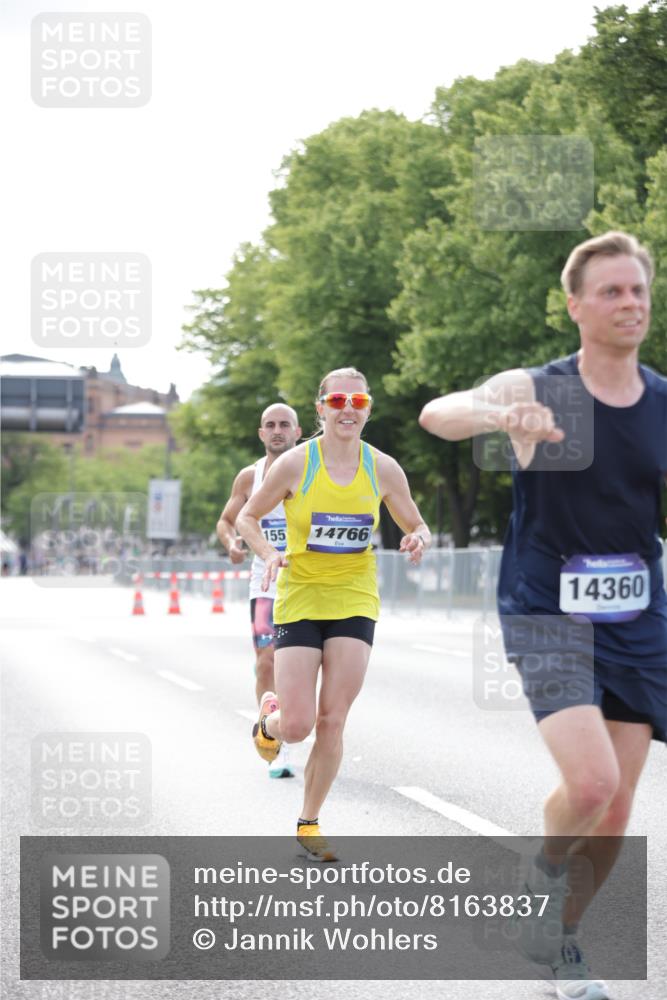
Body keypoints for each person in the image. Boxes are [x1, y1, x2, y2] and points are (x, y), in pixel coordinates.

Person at [419, 231, 667, 1000]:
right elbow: (438, 413)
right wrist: (500, 415)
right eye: (610, 291)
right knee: (590, 785)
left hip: (637, 613)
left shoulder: (661, 401)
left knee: (616, 805)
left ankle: (559, 937)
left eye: (637, 290)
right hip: (545, 606)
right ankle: (544, 873)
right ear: (574, 305)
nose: (628, 303)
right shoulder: (541, 387)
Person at [236, 367, 431, 860]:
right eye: (339, 400)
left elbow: (418, 522)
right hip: (300, 596)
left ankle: (309, 822)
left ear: (367, 409)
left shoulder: (383, 468)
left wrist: (416, 538)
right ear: (320, 408)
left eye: (359, 401)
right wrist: (266, 553)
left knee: (333, 719)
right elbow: (246, 516)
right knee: (298, 725)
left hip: (354, 597)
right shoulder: (296, 464)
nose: (349, 408)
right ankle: (270, 722)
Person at [217, 403, 302, 779]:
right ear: (261, 433)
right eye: (271, 425)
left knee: (298, 664)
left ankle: (300, 721)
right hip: (265, 584)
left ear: (298, 432)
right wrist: (232, 544)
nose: (278, 430)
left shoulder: (311, 470)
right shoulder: (248, 478)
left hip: (306, 582)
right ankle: (275, 741)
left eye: (285, 424)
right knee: (266, 660)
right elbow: (226, 520)